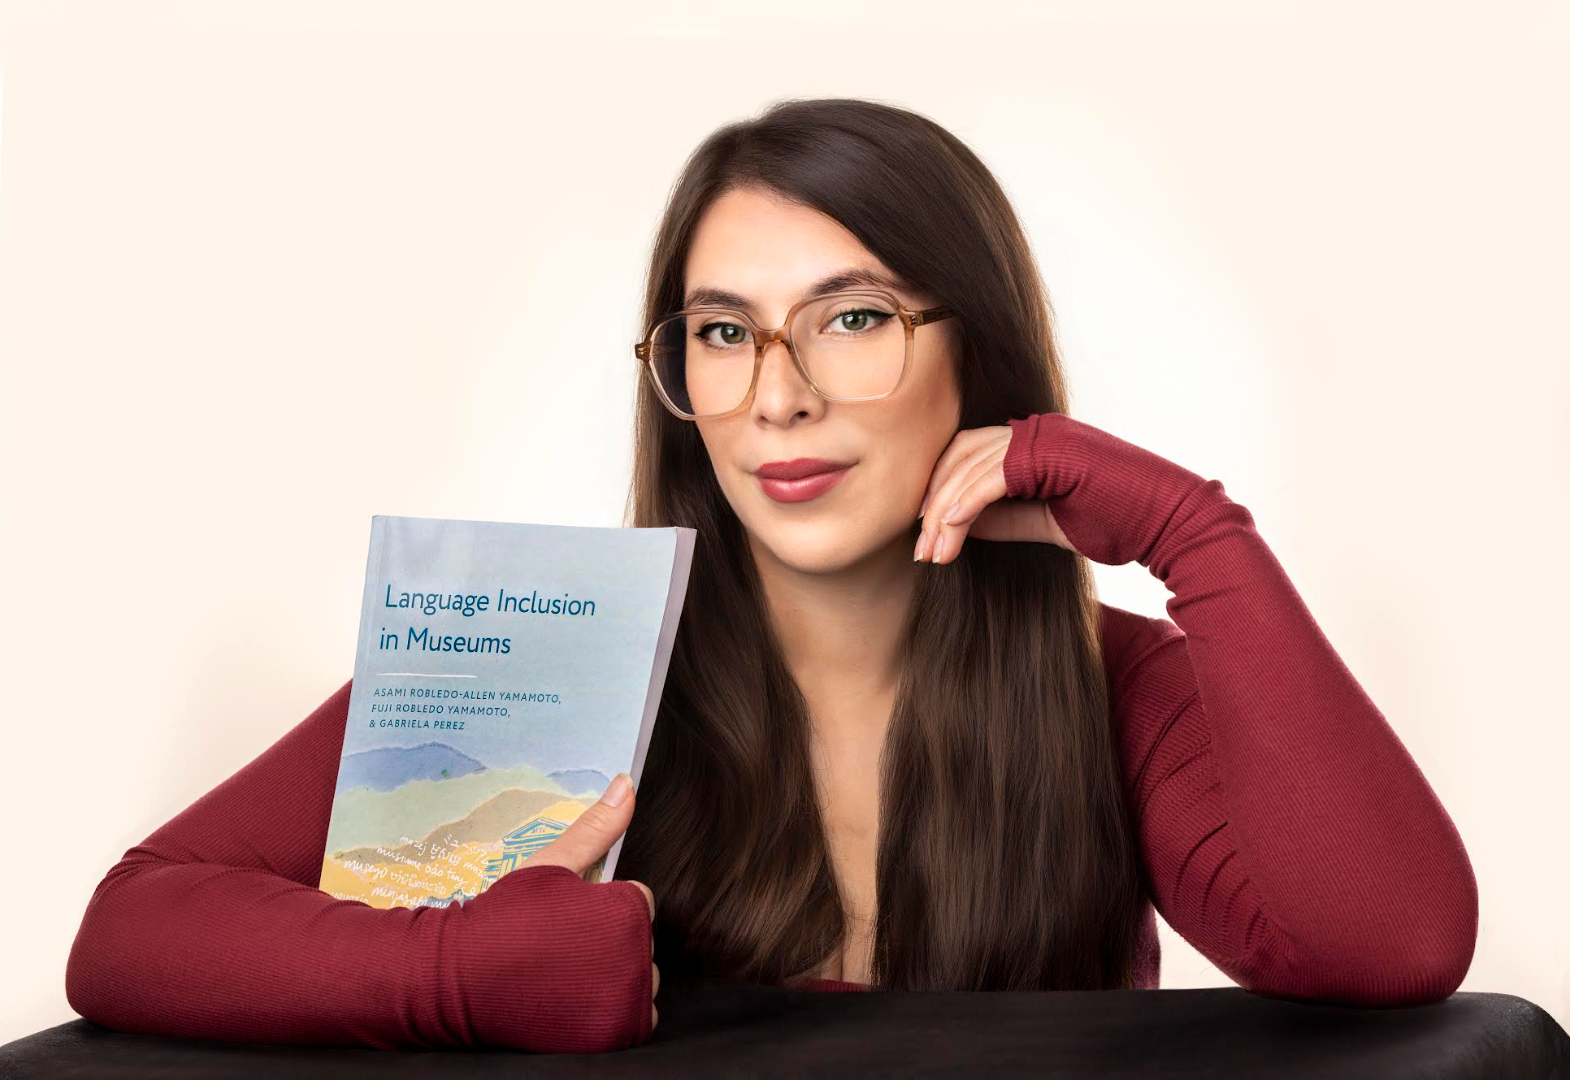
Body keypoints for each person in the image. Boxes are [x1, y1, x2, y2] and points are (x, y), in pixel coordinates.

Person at [64, 97, 1478, 1055]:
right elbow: (132, 929)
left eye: (851, 318)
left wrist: (1198, 537)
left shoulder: (1110, 686)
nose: (778, 397)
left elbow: (1394, 949)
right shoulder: (546, 663)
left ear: (977, 353)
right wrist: (449, 974)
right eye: (724, 332)